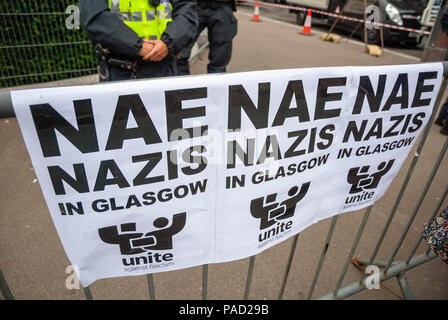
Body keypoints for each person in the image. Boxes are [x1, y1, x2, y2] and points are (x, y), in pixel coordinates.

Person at [79, 0, 198, 82]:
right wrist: (138, 46)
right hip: (121, 70)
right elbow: (95, 18)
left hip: (166, 65)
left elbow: (187, 11)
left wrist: (167, 43)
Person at [176, 0, 237, 75]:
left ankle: (215, 85)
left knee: (219, 62)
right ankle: (184, 85)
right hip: (193, 7)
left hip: (222, 7)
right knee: (179, 54)